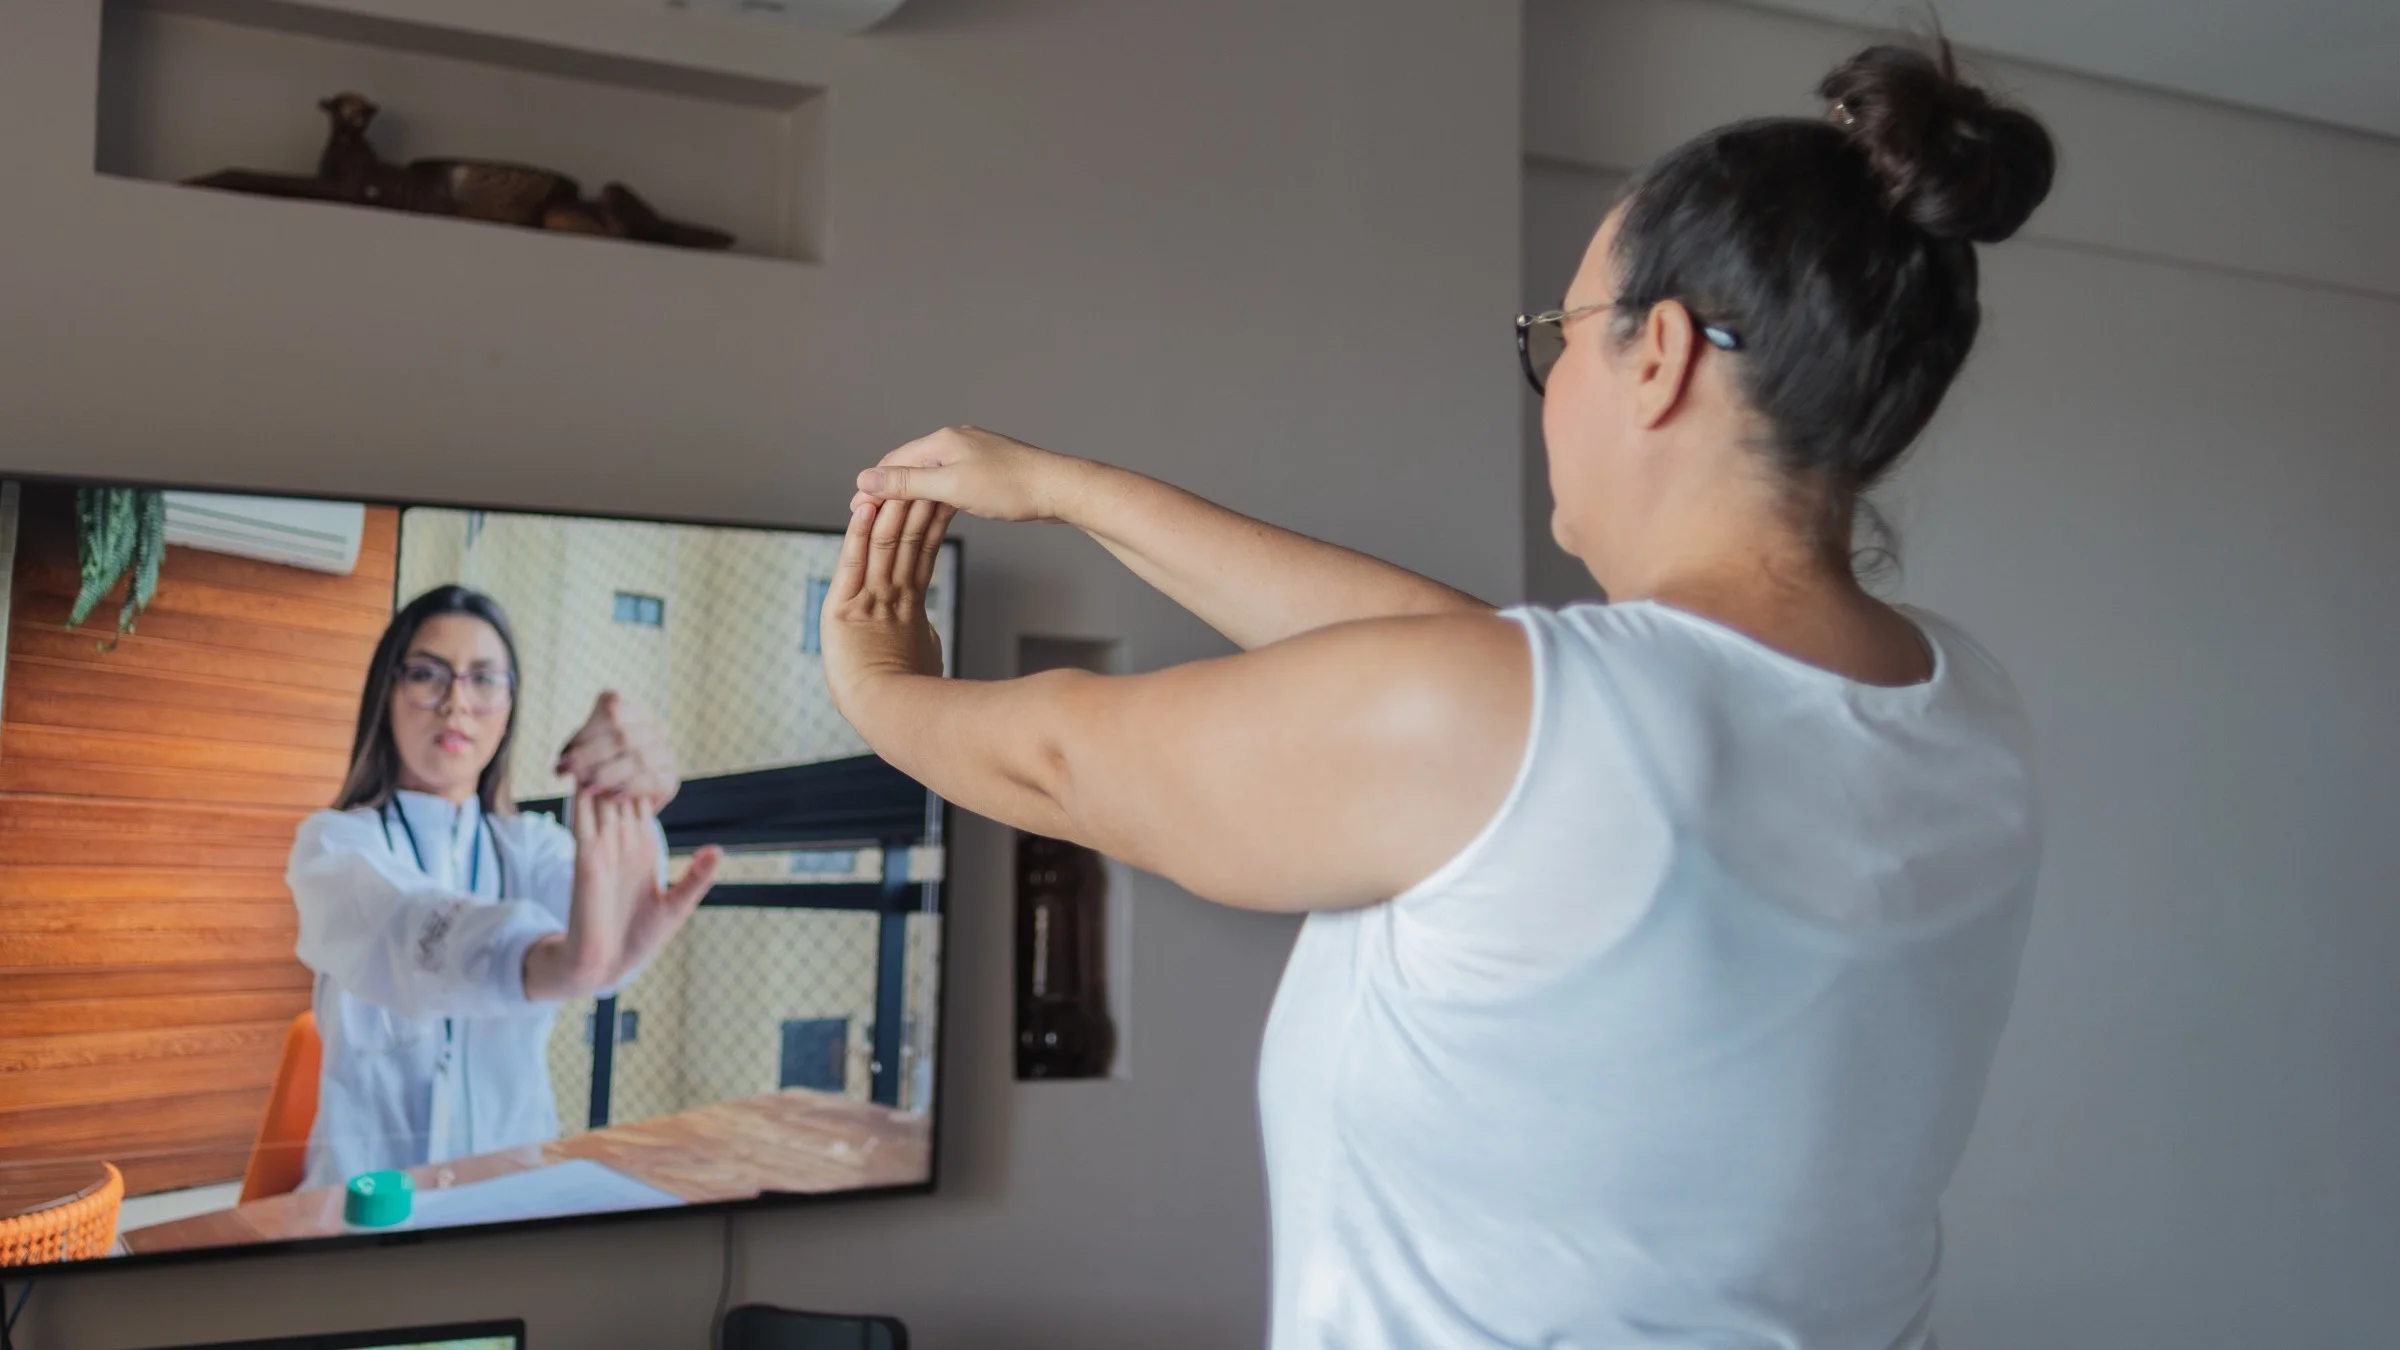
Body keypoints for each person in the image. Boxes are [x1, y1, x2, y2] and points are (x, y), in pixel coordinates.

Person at [821, 40, 2054, 1350]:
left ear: (1659, 357)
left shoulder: (1536, 726)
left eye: (1560, 337)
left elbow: (1066, 762)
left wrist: (875, 682)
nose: (1550, 382)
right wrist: (1070, 491)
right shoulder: (1967, 711)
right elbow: (1476, 672)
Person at [288, 585, 722, 1190]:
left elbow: (602, 952)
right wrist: (548, 961)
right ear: (386, 692)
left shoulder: (534, 846)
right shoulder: (334, 846)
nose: (456, 703)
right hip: (364, 1197)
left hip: (512, 1187)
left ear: (510, 705)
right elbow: (405, 925)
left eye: (484, 679)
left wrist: (628, 813)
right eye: (427, 674)